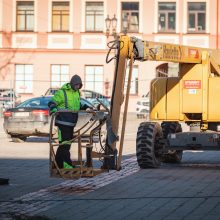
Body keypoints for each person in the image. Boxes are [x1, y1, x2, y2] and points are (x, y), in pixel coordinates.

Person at [48, 74, 87, 169]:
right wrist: (53, 109)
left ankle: (58, 164)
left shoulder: (77, 93)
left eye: (79, 85)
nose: (78, 87)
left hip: (71, 123)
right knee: (65, 145)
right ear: (72, 83)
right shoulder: (62, 92)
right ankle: (67, 165)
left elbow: (75, 106)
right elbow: (52, 102)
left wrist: (84, 107)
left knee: (65, 144)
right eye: (76, 85)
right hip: (62, 122)